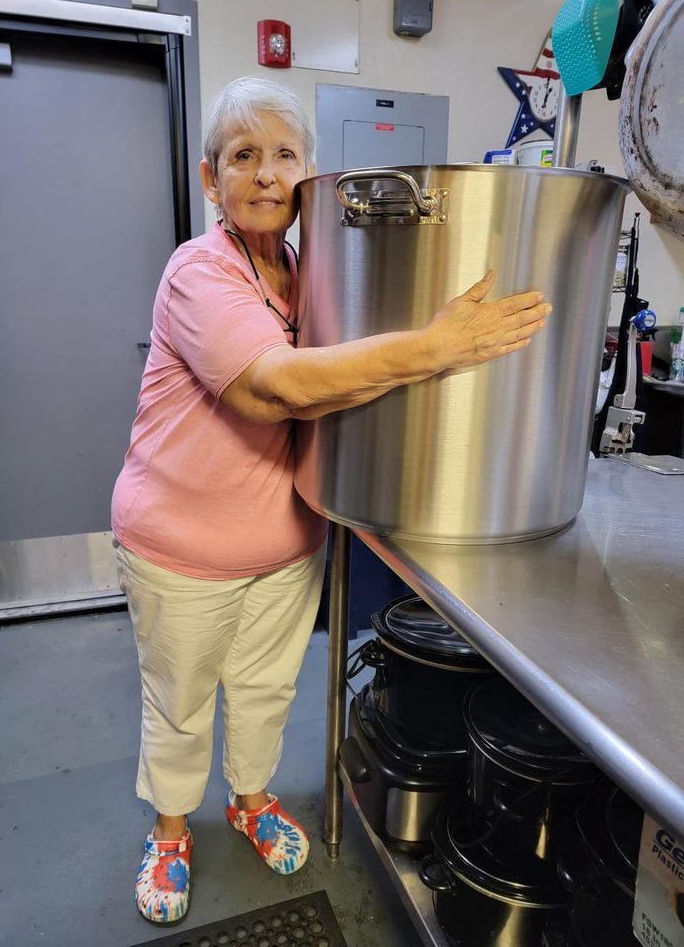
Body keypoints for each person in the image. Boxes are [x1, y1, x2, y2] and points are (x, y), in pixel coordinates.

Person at [111, 75, 551, 925]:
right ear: (211, 179)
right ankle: (170, 830)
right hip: (180, 548)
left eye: (284, 155)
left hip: (285, 542)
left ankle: (250, 799)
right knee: (180, 700)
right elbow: (274, 388)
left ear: (310, 171)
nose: (265, 174)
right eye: (243, 156)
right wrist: (432, 348)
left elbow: (348, 376)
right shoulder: (200, 271)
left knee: (266, 689)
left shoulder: (308, 271)